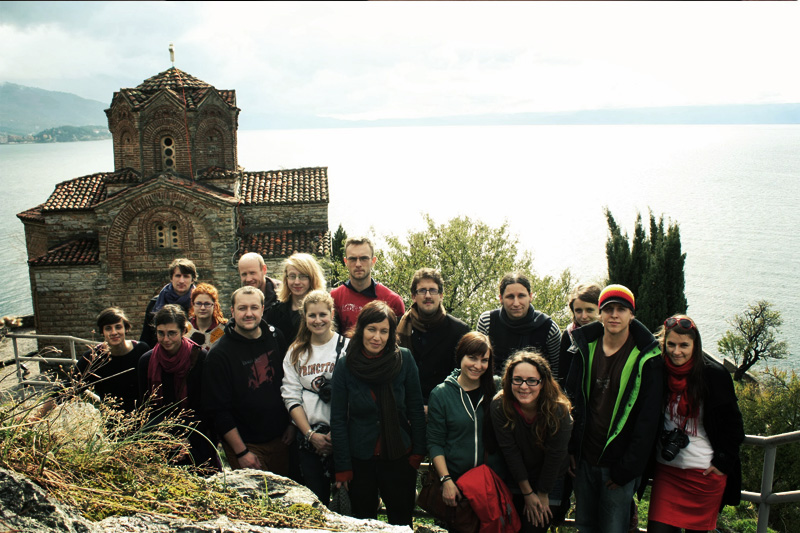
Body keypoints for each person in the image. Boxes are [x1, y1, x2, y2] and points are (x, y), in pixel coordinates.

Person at [564, 284, 664, 533]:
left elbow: (648, 420)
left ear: (632, 314)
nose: (614, 315)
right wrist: (571, 449)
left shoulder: (647, 357)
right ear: (600, 313)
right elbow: (570, 400)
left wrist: (627, 468)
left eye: (622, 309)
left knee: (613, 528)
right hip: (585, 459)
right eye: (608, 309)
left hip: (618, 465)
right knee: (584, 526)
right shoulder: (584, 346)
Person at [644, 315, 744, 533]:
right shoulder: (658, 371)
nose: (676, 351)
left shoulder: (713, 376)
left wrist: (722, 463)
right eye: (671, 344)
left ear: (695, 345)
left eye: (684, 345)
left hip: (704, 475)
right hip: (667, 471)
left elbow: (734, 427)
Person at [330, 300, 426, 526]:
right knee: (364, 521)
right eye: (371, 329)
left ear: (391, 333)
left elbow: (415, 408)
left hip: (399, 455)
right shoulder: (346, 365)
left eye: (384, 331)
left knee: (401, 521)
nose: (377, 337)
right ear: (361, 329)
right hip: (360, 458)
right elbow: (338, 418)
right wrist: (342, 466)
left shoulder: (403, 359)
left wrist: (417, 453)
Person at [203, 286, 293, 475]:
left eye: (254, 308)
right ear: (232, 311)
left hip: (281, 440)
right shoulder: (220, 354)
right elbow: (218, 410)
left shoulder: (276, 337)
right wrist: (241, 452)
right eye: (242, 308)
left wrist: (292, 425)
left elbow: (291, 383)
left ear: (262, 309)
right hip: (247, 446)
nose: (249, 313)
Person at [491, 351, 573, 532]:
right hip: (517, 473)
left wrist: (542, 493)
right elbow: (509, 451)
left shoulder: (558, 411)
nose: (524, 386)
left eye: (532, 380)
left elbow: (556, 455)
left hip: (550, 476)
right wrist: (527, 492)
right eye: (517, 380)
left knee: (535, 524)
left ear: (542, 382)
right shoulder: (500, 405)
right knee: (512, 526)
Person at [427, 332, 504, 523]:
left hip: (492, 485)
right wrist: (446, 481)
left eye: (484, 360)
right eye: (472, 358)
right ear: (460, 356)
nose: (478, 366)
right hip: (457, 485)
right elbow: (435, 443)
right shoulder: (442, 394)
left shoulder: (496, 387)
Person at [281, 290, 349, 506]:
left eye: (322, 314)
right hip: (309, 437)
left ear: (332, 314)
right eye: (312, 315)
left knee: (344, 500)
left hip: (343, 435)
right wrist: (310, 435)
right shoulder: (296, 352)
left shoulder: (347, 347)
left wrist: (336, 434)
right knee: (315, 500)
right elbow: (291, 396)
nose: (318, 320)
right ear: (305, 317)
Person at [138, 304, 218, 470]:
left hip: (195, 436)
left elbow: (206, 406)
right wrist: (165, 438)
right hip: (159, 437)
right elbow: (145, 407)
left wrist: (186, 437)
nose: (166, 339)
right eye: (161, 333)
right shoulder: (146, 361)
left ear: (183, 331)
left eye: (172, 333)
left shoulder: (200, 358)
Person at [397, 268, 470, 407]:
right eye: (422, 290)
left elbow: (461, 377)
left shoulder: (459, 330)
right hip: (405, 407)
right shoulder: (398, 326)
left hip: (444, 408)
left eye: (433, 290)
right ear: (413, 296)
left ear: (441, 295)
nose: (428, 295)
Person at [477, 272, 562, 378]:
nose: (516, 303)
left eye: (521, 296)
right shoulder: (487, 321)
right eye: (510, 297)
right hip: (493, 388)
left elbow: (557, 372)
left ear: (530, 297)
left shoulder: (548, 328)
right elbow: (478, 363)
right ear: (501, 299)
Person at [73, 307, 150, 413]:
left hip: (143, 418)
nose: (114, 332)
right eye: (108, 328)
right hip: (112, 421)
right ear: (102, 332)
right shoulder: (94, 358)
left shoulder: (141, 350)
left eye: (118, 327)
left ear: (125, 329)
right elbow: (69, 387)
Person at [330, 237, 405, 336]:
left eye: (363, 258)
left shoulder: (392, 300)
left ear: (373, 261)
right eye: (352, 259)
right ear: (346, 262)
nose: (358, 264)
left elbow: (398, 341)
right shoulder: (333, 298)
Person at [266, 253, 327, 345]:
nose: (297, 282)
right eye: (292, 276)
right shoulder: (275, 312)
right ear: (286, 279)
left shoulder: (325, 311)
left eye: (303, 276)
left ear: (312, 278)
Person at [140, 258, 197, 349]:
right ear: (171, 278)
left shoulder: (199, 304)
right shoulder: (155, 303)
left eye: (186, 276)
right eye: (178, 276)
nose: (181, 281)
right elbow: (147, 336)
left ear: (192, 279)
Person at [558, 283, 602, 387]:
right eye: (578, 311)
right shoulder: (569, 335)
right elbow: (563, 374)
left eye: (589, 310)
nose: (584, 316)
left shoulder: (609, 334)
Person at [186, 283, 227, 350]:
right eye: (198, 303)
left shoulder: (224, 330)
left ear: (214, 305)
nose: (202, 308)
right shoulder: (185, 328)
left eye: (207, 304)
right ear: (193, 304)